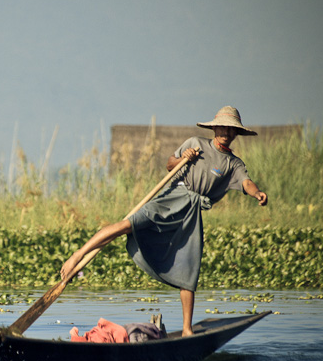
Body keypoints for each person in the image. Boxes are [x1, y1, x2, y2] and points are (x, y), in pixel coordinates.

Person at [59, 106, 268, 336]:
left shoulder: (233, 164)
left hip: (190, 213)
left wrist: (257, 193)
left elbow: (247, 183)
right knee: (127, 224)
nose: (226, 133)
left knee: (190, 269)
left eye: (231, 130)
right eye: (223, 128)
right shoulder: (196, 143)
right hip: (171, 198)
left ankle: (187, 330)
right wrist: (182, 158)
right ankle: (78, 256)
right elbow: (169, 164)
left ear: (236, 134)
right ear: (215, 128)